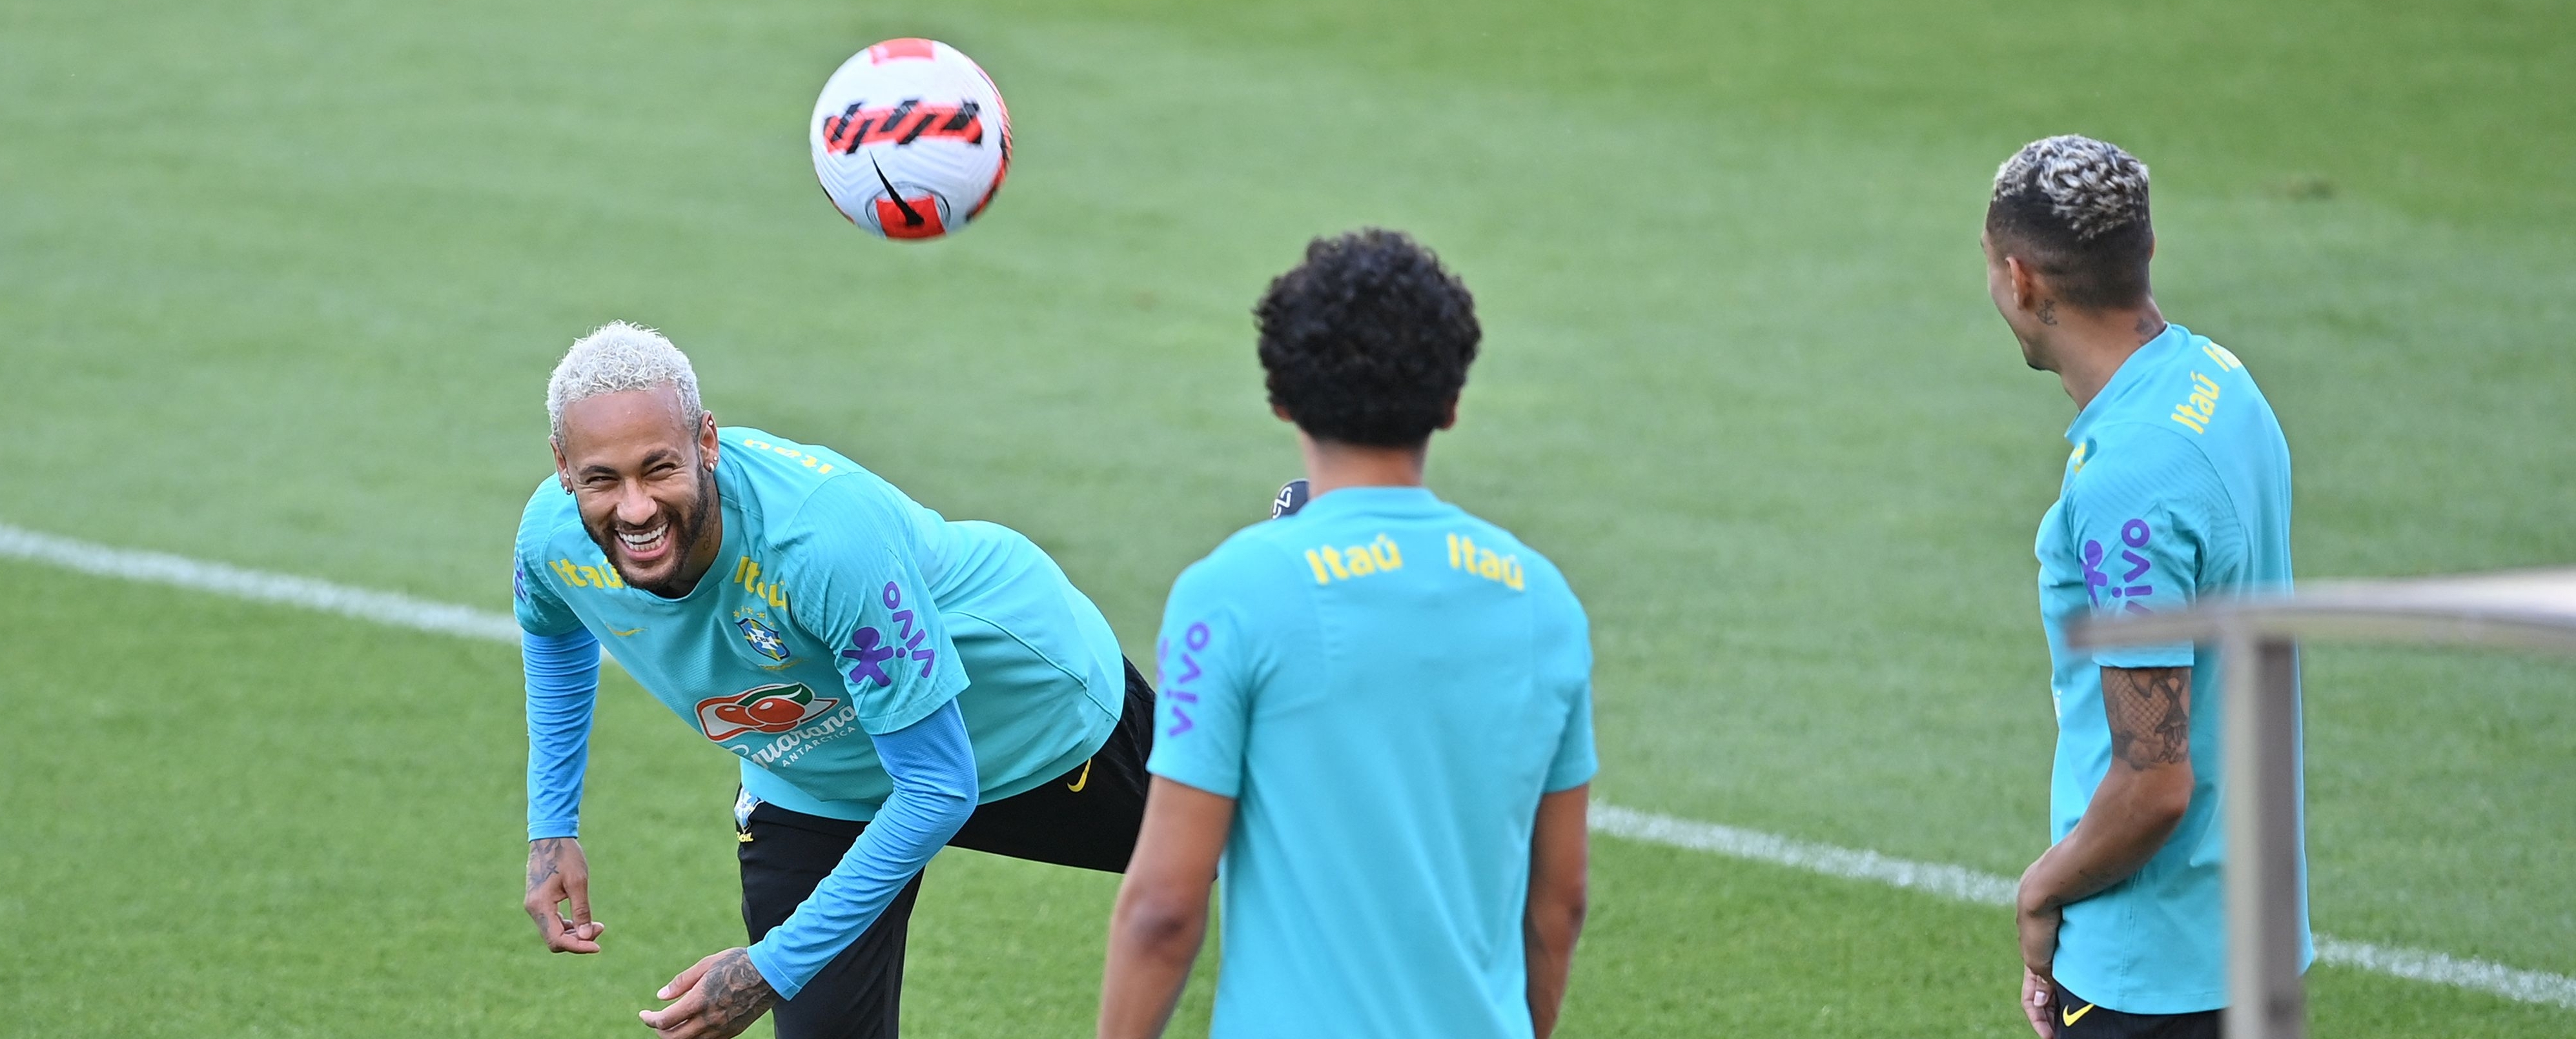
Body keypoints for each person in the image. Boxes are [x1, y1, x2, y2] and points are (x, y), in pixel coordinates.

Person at [511, 321, 1153, 1039]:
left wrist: (771, 966)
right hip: (817, 774)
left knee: (1239, 848)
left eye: (659, 469)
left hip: (1027, 723)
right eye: (602, 479)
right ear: (564, 466)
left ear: (707, 443)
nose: (635, 509)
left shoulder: (821, 541)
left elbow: (938, 785)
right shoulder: (551, 539)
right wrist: (552, 825)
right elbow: (552, 625)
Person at [1096, 230, 1597, 1039]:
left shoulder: (1233, 594)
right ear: (1451, 403)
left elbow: (1164, 906)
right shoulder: (1543, 599)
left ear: (1281, 398)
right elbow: (1560, 901)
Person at [1983, 136, 2309, 1037]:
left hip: (2150, 973)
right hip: (2251, 937)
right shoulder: (2219, 379)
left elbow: (2154, 782)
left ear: (2020, 280)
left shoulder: (2130, 479)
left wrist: (2040, 890)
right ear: (2146, 251)